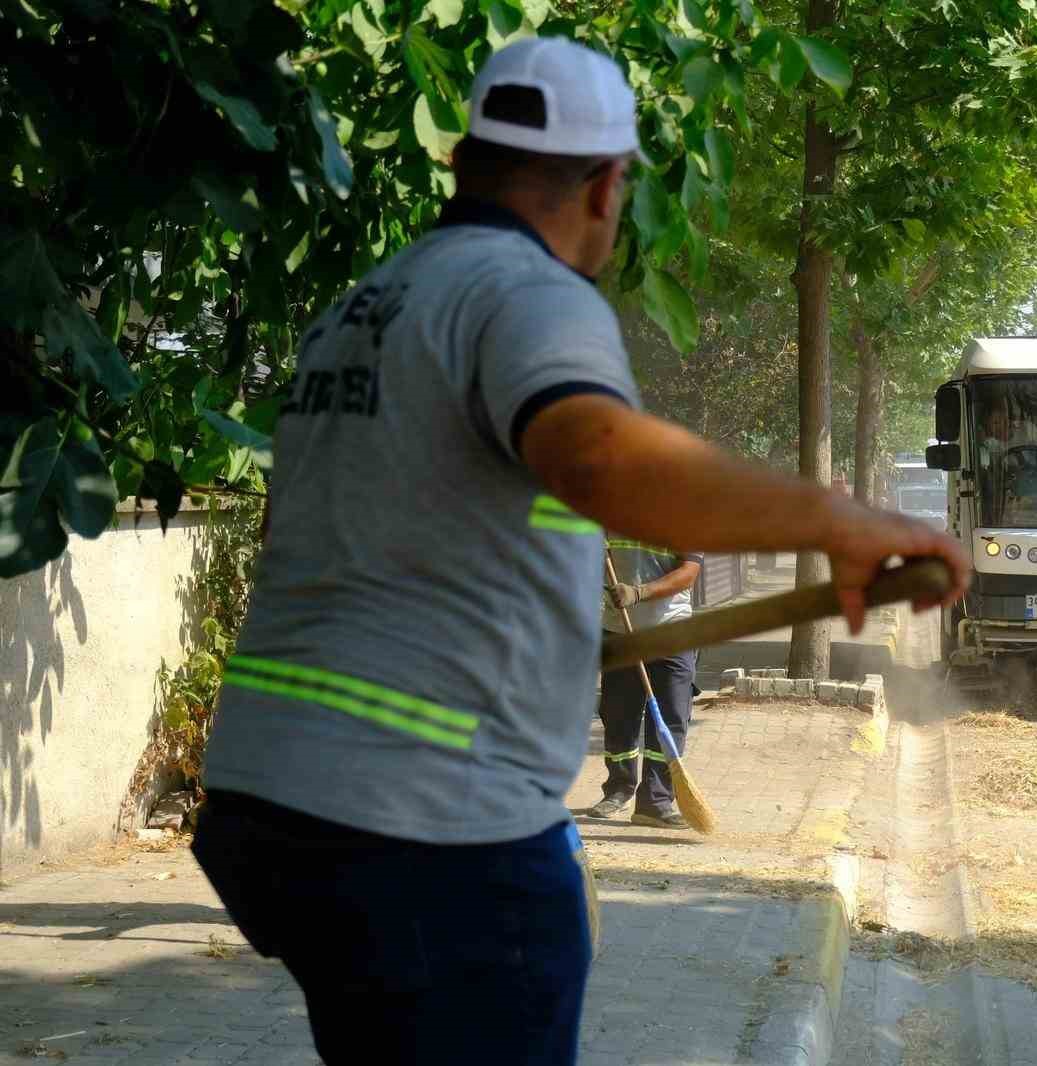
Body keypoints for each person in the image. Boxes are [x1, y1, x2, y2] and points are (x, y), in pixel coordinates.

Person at [189, 36, 967, 1066]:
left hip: (272, 801)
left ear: (463, 160)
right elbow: (601, 458)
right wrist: (837, 520)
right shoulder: (527, 294)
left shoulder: (362, 312)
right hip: (425, 817)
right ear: (606, 185)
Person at [592, 539, 702, 827]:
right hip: (619, 632)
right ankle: (618, 788)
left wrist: (639, 593)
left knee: (671, 717)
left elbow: (689, 571)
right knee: (618, 716)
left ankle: (655, 801)